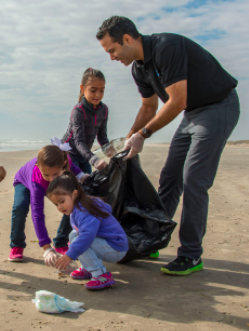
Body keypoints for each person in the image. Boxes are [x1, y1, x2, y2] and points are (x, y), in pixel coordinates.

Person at [96, 16, 240, 275]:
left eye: (112, 50)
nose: (112, 57)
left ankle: (191, 255)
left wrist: (144, 133)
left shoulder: (166, 47)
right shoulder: (138, 68)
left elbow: (177, 100)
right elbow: (148, 107)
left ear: (127, 39)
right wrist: (128, 140)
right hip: (192, 114)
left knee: (195, 179)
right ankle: (154, 238)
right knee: (170, 178)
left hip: (219, 106)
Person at [47, 171, 128, 290]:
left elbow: (87, 237)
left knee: (78, 241)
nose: (60, 207)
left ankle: (100, 275)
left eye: (62, 201)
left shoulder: (84, 210)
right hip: (108, 244)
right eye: (56, 204)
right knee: (74, 235)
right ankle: (88, 268)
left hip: (115, 248)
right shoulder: (80, 205)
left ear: (74, 194)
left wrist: (70, 255)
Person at [9, 144, 87, 262]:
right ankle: (16, 245)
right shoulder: (37, 181)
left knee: (72, 203)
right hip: (24, 181)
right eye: (47, 174)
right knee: (20, 207)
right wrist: (46, 247)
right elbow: (37, 215)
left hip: (49, 179)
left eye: (55, 174)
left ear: (64, 164)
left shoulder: (64, 158)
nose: (51, 179)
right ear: (38, 166)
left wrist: (81, 176)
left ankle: (61, 242)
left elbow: (73, 167)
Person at [61, 68, 110, 174]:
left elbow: (102, 136)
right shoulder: (78, 110)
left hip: (84, 154)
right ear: (82, 88)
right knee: (76, 182)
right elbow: (79, 141)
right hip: (68, 153)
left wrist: (111, 150)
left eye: (102, 90)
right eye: (93, 90)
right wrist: (94, 160)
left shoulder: (104, 110)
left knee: (89, 181)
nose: (98, 94)